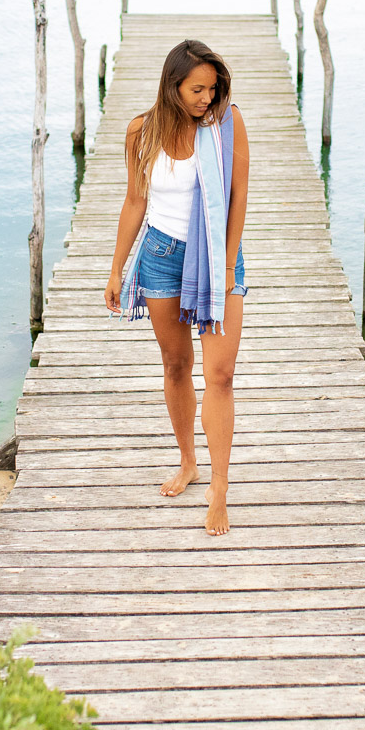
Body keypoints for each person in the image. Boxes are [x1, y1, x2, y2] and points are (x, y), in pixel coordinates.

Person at [103, 40, 250, 535]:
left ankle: (219, 491)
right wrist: (116, 268)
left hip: (216, 261)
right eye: (196, 89)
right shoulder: (141, 133)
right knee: (176, 365)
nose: (206, 98)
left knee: (222, 373)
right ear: (172, 87)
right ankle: (188, 462)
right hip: (162, 258)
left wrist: (228, 268)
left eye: (212, 88)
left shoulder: (227, 126)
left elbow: (237, 200)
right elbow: (134, 202)